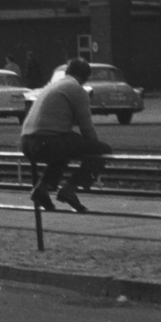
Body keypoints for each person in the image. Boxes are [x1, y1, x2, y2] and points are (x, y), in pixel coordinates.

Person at [19, 58, 112, 213]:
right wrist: (94, 152)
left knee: (63, 151)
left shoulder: (52, 86)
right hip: (47, 141)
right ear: (86, 77)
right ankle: (70, 189)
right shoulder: (76, 89)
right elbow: (87, 128)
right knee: (102, 150)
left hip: (26, 143)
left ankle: (41, 190)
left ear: (67, 72)